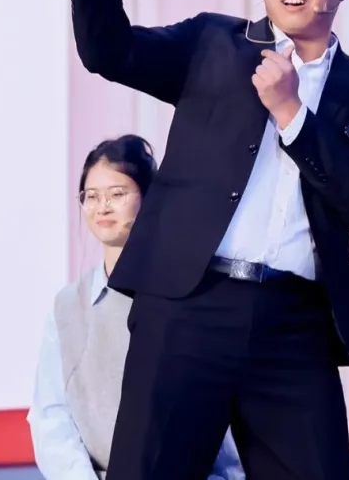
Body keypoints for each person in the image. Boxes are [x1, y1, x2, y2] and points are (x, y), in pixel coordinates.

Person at [68, 0, 349, 480]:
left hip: (296, 323)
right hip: (189, 305)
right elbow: (110, 52)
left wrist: (292, 113)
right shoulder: (213, 43)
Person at [27, 135, 244, 480]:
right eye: (91, 196)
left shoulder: (185, 295)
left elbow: (220, 417)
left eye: (117, 194)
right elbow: (50, 415)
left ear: (149, 198)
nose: (102, 207)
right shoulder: (68, 307)